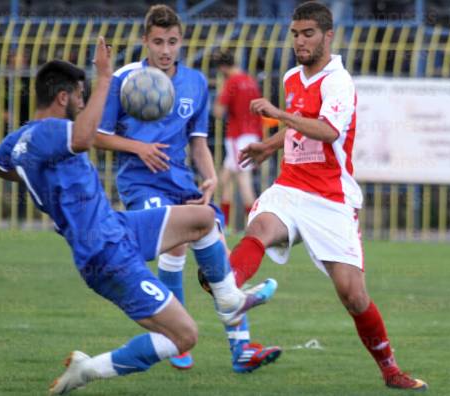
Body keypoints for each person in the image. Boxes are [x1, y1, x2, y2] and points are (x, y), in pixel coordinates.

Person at [0, 37, 276, 395]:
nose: (83, 101)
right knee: (184, 336)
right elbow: (84, 137)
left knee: (202, 218)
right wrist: (105, 77)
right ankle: (87, 369)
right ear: (62, 98)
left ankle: (228, 297)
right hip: (105, 253)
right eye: (79, 95)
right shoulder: (53, 131)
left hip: (118, 227)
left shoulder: (18, 140)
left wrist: (38, 179)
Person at [227, 2, 428, 391]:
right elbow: (298, 130)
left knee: (353, 295)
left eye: (308, 34)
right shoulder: (291, 77)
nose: (300, 42)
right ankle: (227, 289)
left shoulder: (339, 81)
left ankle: (390, 371)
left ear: (327, 35)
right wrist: (271, 145)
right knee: (259, 228)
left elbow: (327, 131)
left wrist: (277, 115)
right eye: (295, 34)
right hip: (290, 187)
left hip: (330, 199)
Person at [94, 4, 281, 372]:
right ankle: (176, 340)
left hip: (181, 181)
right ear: (145, 41)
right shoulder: (125, 78)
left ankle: (241, 350)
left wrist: (210, 177)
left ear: (182, 42)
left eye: (173, 42)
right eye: (158, 42)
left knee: (216, 245)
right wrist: (139, 148)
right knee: (176, 241)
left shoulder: (195, 83)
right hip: (139, 181)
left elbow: (197, 142)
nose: (165, 50)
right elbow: (98, 136)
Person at [212, 50, 262, 230]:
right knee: (226, 180)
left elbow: (218, 111)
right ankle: (223, 225)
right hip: (253, 134)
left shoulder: (232, 82)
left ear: (222, 67)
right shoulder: (250, 80)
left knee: (242, 180)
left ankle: (255, 225)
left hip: (237, 135)